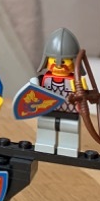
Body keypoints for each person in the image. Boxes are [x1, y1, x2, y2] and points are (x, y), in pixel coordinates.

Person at [31, 27, 84, 158]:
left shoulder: (76, 81)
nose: (59, 65)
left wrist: (82, 96)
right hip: (48, 110)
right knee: (45, 127)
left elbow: (84, 95)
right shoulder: (43, 79)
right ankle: (44, 145)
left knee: (69, 129)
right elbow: (34, 93)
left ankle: (68, 148)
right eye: (54, 61)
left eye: (64, 61)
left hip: (69, 111)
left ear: (74, 61)